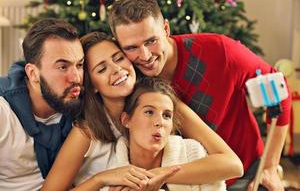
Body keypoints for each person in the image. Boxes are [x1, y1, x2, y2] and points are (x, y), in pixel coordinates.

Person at [108, 0, 292, 190]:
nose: (145, 55)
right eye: (131, 47)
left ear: (166, 29)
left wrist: (270, 166)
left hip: (246, 174)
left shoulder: (220, 51)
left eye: (151, 41)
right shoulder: (129, 80)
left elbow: (278, 87)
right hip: (183, 182)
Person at [43, 31, 242, 190]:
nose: (117, 70)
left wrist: (157, 175)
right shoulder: (87, 132)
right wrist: (100, 179)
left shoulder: (161, 101)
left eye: (119, 58)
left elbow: (232, 164)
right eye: (102, 69)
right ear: (92, 85)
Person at [0, 18, 84, 190]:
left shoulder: (79, 104)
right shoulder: (4, 113)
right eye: (62, 67)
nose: (76, 78)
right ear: (33, 73)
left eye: (80, 65)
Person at [111, 76, 226, 191]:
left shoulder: (192, 153)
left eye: (166, 115)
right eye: (149, 112)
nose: (160, 122)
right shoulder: (111, 171)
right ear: (126, 120)